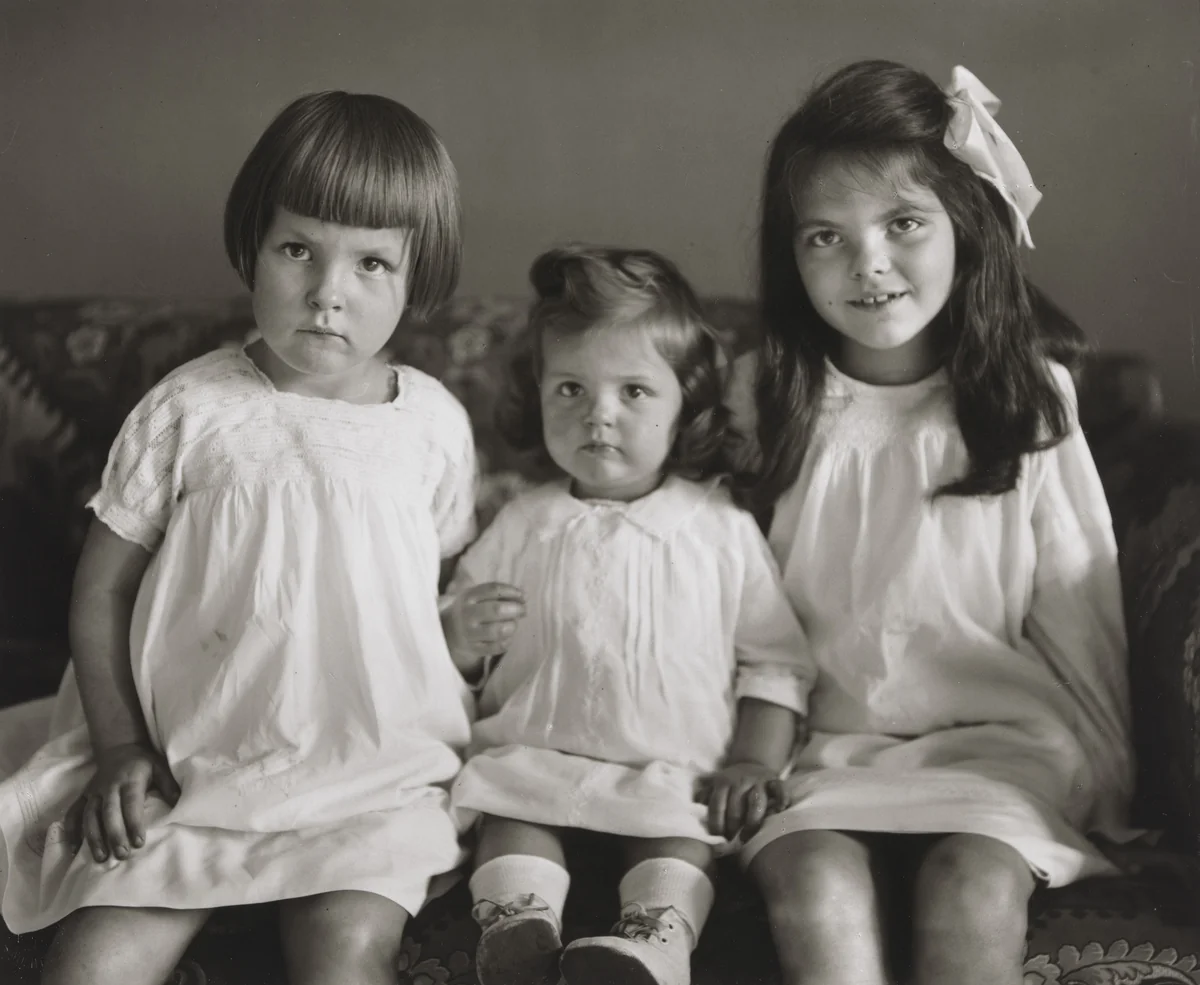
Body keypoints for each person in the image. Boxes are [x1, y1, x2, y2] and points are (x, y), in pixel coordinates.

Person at [0, 90, 476, 985]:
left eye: (373, 263)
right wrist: (118, 748)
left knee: (344, 959)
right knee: (90, 967)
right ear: (253, 244)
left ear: (420, 279)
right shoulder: (192, 408)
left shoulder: (435, 425)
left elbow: (413, 601)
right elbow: (101, 589)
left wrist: (463, 639)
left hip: (369, 774)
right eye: (298, 249)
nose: (328, 294)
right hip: (198, 768)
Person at [728, 60, 1135, 985]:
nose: (867, 264)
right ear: (790, 256)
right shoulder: (769, 399)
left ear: (967, 225)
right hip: (821, 751)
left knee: (969, 884)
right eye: (825, 236)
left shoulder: (1030, 399)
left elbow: (1082, 607)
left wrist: (1112, 785)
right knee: (816, 878)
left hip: (998, 748)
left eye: (903, 223)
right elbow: (723, 590)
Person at [442, 245, 814, 985]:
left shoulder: (717, 525)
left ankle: (651, 945)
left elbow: (774, 660)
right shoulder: (523, 520)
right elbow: (460, 637)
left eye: (634, 392)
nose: (598, 416)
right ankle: (520, 928)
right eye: (571, 388)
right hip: (538, 753)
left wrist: (751, 760)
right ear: (537, 391)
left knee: (676, 845)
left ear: (687, 401)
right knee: (510, 819)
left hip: (671, 770)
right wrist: (460, 636)